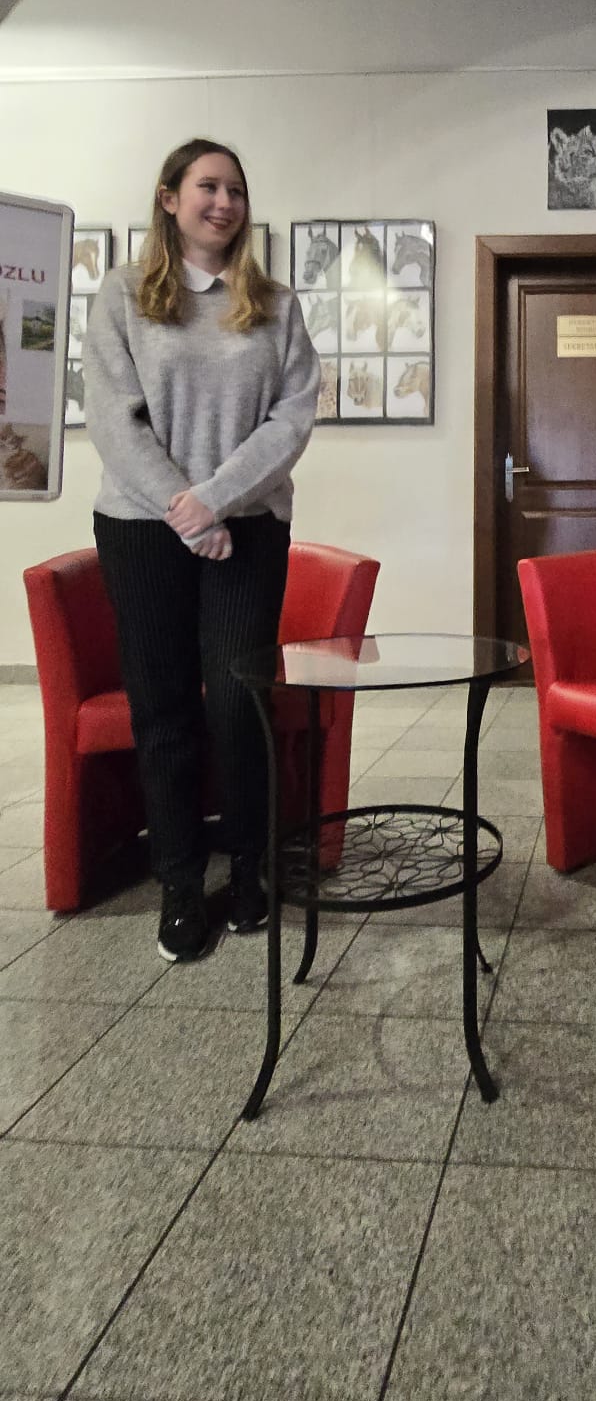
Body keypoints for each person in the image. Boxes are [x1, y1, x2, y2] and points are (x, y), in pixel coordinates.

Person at [84, 137, 320, 961]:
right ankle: (181, 884)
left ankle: (251, 868)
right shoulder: (122, 295)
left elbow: (290, 420)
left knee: (237, 704)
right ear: (169, 197)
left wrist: (212, 502)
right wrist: (184, 512)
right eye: (208, 187)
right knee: (164, 711)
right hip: (142, 529)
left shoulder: (275, 304)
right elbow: (114, 421)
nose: (224, 203)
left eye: (236, 190)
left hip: (246, 530)